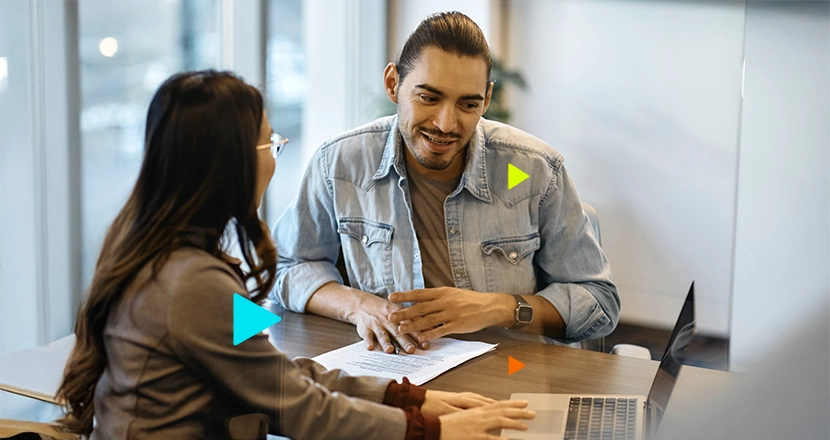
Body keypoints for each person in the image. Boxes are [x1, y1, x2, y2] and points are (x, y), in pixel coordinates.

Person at [55, 70, 534, 439]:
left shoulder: (160, 254)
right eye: (269, 142)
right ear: (231, 161)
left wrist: (404, 398)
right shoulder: (194, 284)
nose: (274, 155)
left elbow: (274, 374)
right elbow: (297, 406)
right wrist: (430, 429)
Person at [273, 11, 620, 355]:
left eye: (468, 104)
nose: (445, 124)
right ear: (393, 83)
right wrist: (357, 305)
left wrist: (497, 308)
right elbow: (287, 267)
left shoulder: (538, 170)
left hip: (511, 375)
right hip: (393, 377)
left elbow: (599, 302)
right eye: (429, 97)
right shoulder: (340, 163)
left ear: (486, 99)